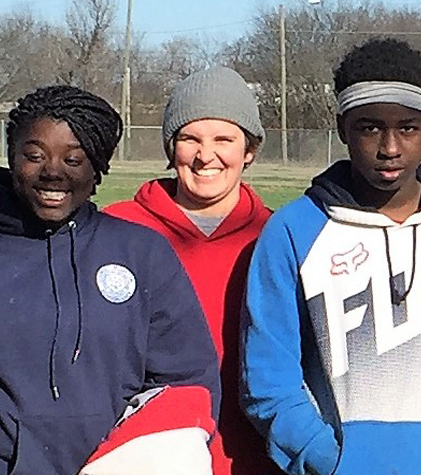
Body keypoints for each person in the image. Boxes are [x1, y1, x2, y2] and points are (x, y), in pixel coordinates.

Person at [240, 38, 421, 475]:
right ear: (341, 128)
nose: (390, 148)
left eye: (408, 128)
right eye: (369, 128)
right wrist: (323, 455)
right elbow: (268, 377)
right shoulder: (294, 231)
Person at [0, 85, 221, 473]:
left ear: (97, 166)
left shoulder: (141, 252)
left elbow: (188, 381)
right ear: (12, 157)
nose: (52, 172)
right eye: (34, 156)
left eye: (74, 159)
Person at [105, 66, 277, 474]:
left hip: (251, 458)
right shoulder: (118, 228)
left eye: (224, 139)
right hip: (142, 453)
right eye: (189, 139)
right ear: (171, 147)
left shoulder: (275, 236)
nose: (205, 156)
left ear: (248, 150)